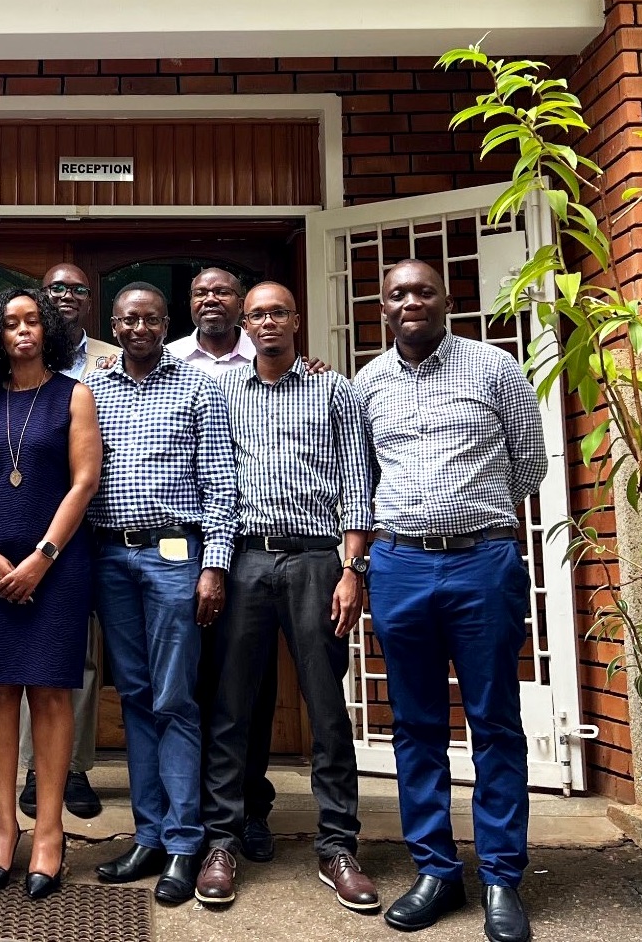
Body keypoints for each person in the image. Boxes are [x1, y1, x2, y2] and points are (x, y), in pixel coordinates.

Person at [355, 260, 546, 942]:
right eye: (397, 293)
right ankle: (435, 870)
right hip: (401, 563)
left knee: (494, 720)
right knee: (416, 725)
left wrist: (474, 517)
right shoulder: (367, 384)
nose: (411, 302)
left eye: (422, 291)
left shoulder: (494, 369)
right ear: (383, 308)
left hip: (481, 563)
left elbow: (531, 464)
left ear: (445, 300)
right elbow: (363, 475)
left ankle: (501, 877)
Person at [197, 282, 379, 914]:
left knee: (326, 707)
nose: (268, 322)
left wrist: (352, 569)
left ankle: (337, 845)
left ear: (297, 321)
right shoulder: (218, 392)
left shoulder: (335, 390)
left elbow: (359, 480)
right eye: (257, 315)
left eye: (279, 312)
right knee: (230, 707)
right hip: (244, 557)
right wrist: (216, 566)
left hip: (315, 560)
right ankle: (221, 839)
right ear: (243, 325)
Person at [87, 282, 237, 906]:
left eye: (151, 318)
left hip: (176, 554)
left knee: (175, 697)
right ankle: (148, 833)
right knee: (137, 696)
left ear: (164, 323)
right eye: (128, 319)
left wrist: (215, 568)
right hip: (109, 556)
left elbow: (223, 484)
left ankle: (183, 842)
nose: (140, 328)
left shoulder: (198, 385)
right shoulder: (91, 390)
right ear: (114, 326)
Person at [0, 287, 101, 900]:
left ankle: (48, 832)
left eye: (33, 321)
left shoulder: (74, 394)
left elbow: (84, 481)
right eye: (11, 322)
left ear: (50, 332)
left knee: (48, 694)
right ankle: (0, 828)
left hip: (57, 567)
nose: (22, 331)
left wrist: (41, 557)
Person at [168, 264, 280, 862]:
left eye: (222, 291)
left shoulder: (267, 359)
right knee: (193, 681)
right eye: (200, 291)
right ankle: (202, 813)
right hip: (183, 545)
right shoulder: (167, 360)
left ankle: (250, 806)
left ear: (241, 303)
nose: (211, 299)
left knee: (248, 687)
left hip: (252, 547)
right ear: (189, 304)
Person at [14, 264, 117, 822]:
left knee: (82, 656)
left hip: (100, 524)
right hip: (33, 527)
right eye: (56, 289)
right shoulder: (24, 354)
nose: (67, 297)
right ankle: (33, 769)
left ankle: (72, 768)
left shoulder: (114, 351)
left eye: (79, 287)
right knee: (37, 649)